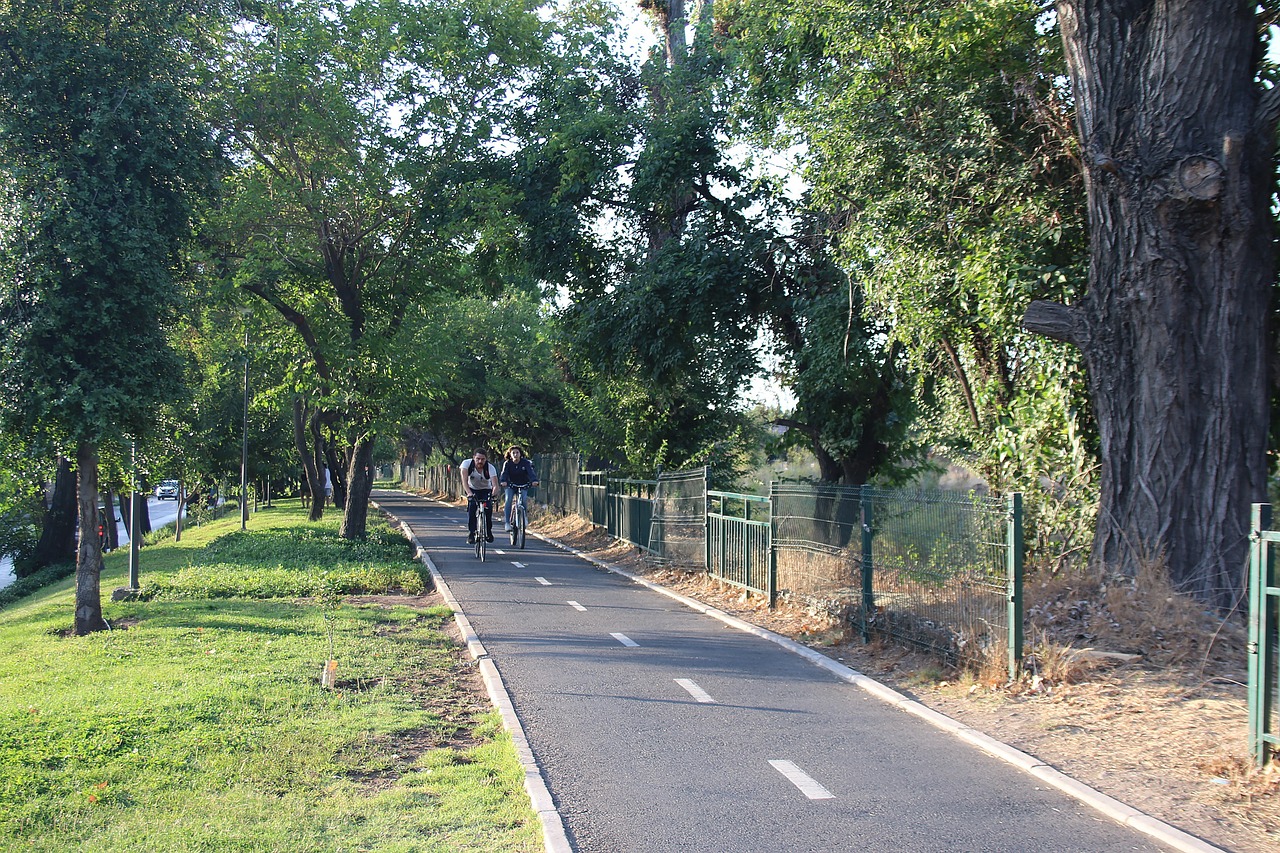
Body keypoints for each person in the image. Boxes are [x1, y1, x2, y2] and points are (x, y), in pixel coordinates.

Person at [460, 449, 498, 543]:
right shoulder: (466, 464)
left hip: (486, 489)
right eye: (478, 459)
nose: (480, 461)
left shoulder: (490, 468)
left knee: (488, 509)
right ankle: (471, 533)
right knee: (472, 507)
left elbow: (495, 485)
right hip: (472, 489)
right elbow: (464, 481)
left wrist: (493, 494)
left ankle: (488, 531)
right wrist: (469, 493)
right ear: (473, 458)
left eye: (482, 459)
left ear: (486, 459)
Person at [498, 446, 539, 532]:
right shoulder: (507, 463)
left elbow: (531, 473)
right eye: (513, 453)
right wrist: (503, 481)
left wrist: (534, 481)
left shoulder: (526, 463)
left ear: (520, 454)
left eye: (517, 452)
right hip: (510, 485)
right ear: (510, 454)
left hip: (523, 484)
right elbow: (504, 474)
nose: (515, 454)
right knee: (508, 499)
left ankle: (524, 518)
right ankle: (507, 523)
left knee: (523, 500)